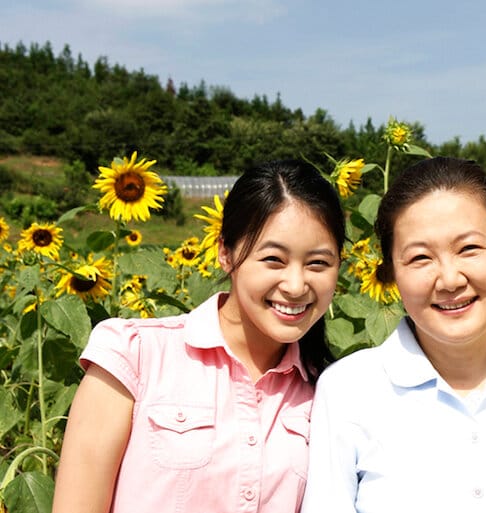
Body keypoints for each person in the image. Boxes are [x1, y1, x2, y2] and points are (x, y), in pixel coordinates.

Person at [52, 159, 344, 513]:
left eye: (318, 264)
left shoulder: (329, 393)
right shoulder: (136, 356)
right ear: (225, 252)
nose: (296, 286)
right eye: (273, 259)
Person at [300, 157, 486, 513]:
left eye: (469, 249)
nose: (449, 279)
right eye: (420, 258)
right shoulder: (348, 390)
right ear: (390, 272)